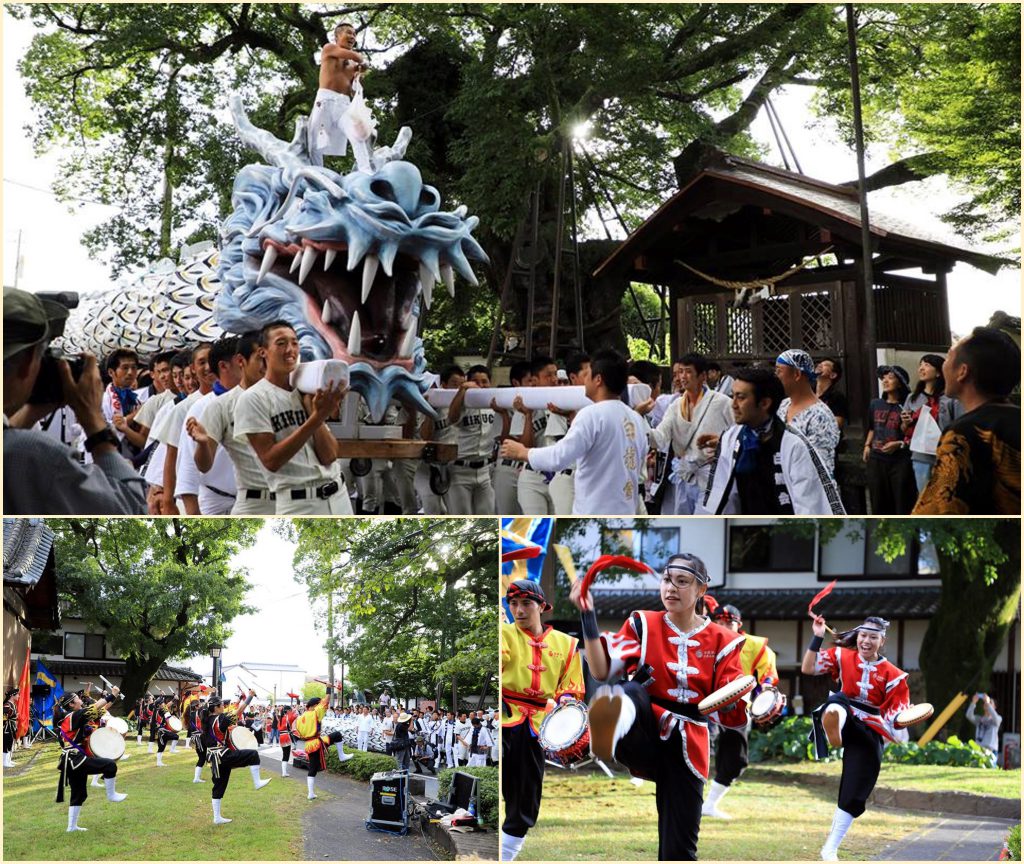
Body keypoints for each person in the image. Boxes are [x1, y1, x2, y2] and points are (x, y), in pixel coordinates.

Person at [571, 554, 749, 861]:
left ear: (701, 590)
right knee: (632, 691)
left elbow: (731, 698)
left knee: (680, 849)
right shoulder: (643, 623)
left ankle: (612, 719)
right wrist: (588, 614)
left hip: (690, 744)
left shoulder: (724, 640)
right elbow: (600, 671)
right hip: (644, 731)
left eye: (682, 582)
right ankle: (610, 723)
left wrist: (749, 703)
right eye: (667, 580)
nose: (672, 588)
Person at [3, 288, 147, 515]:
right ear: (29, 361)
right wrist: (94, 421)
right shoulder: (32, 453)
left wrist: (34, 410)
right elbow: (132, 508)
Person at [801, 615, 911, 861]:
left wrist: (907, 718)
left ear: (882, 641)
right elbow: (808, 668)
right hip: (844, 710)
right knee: (838, 703)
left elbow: (897, 715)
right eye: (863, 635)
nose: (866, 641)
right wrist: (817, 636)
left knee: (855, 790)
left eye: (873, 637)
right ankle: (834, 727)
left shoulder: (894, 676)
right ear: (858, 637)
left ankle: (830, 848)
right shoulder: (842, 655)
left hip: (869, 727)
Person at [500, 350, 647, 515]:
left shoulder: (591, 414)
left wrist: (522, 452)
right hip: (625, 513)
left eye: (588, 374)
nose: (584, 380)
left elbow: (559, 457)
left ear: (598, 380)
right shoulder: (635, 418)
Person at [500, 579, 585, 862]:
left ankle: (507, 855)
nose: (519, 610)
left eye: (526, 604)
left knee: (526, 796)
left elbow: (572, 689)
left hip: (538, 724)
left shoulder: (567, 644)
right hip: (504, 715)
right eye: (513, 604)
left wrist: (566, 711)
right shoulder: (506, 633)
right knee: (502, 783)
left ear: (542, 606)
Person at [234, 321, 351, 514]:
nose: (290, 350)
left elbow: (330, 455)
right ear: (263, 351)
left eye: (294, 343)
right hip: (299, 504)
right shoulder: (252, 398)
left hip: (339, 495)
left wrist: (317, 416)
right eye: (281, 343)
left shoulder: (306, 389)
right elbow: (271, 460)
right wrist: (316, 418)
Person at [700, 368, 845, 515]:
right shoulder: (731, 439)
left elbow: (809, 505)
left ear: (764, 403)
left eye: (741, 397)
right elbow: (719, 497)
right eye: (733, 396)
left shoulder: (793, 445)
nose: (733, 404)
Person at [914, 327, 1021, 514]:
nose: (943, 365)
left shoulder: (963, 433)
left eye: (948, 357)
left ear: (962, 372)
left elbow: (938, 508)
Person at [702, 603, 780, 820]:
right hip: (704, 704)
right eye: (719, 622)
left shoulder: (755, 645)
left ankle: (709, 805)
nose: (724, 627)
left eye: (729, 623)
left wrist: (765, 691)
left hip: (738, 706)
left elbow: (768, 673)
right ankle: (689, 798)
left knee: (736, 760)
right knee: (701, 748)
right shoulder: (702, 640)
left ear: (739, 624)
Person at [643, 353, 733, 514]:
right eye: (681, 372)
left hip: (710, 474)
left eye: (688, 372)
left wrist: (722, 446)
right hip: (683, 474)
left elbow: (737, 433)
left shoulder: (722, 402)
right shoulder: (675, 406)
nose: (682, 377)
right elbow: (660, 437)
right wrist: (639, 421)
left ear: (702, 376)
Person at [54, 688, 128, 832]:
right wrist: (112, 694)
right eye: (77, 698)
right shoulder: (74, 715)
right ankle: (111, 795)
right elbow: (95, 707)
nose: (80, 699)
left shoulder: (74, 716)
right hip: (75, 759)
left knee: (79, 794)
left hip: (70, 761)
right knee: (110, 765)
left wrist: (114, 696)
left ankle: (71, 827)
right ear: (71, 704)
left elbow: (102, 709)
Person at [309, 22, 371, 170]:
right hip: (325, 100)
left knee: (357, 136)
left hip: (344, 104)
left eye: (355, 34)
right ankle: (318, 174)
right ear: (337, 36)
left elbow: (353, 91)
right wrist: (363, 61)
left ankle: (366, 171)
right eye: (349, 33)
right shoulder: (329, 49)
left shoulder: (352, 65)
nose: (352, 37)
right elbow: (355, 55)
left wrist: (358, 76)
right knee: (314, 141)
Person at [202, 692, 271, 825]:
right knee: (253, 755)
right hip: (223, 755)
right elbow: (239, 711)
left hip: (213, 758)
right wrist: (249, 696)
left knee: (219, 785)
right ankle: (257, 782)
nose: (223, 706)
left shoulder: (207, 721)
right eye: (222, 704)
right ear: (216, 707)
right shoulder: (220, 718)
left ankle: (217, 817)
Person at [901, 354, 960, 494]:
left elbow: (959, 425)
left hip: (947, 455)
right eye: (920, 365)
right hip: (921, 456)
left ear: (939, 372)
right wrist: (905, 423)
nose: (921, 368)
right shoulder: (912, 398)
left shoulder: (950, 398)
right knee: (925, 496)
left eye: (927, 365)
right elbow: (904, 430)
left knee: (946, 496)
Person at [775, 349, 840, 477]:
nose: (776, 375)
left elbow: (818, 468)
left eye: (779, 371)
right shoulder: (783, 405)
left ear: (797, 374)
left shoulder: (820, 415)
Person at [864, 366, 917, 514]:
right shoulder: (875, 403)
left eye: (891, 377)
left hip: (900, 460)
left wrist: (906, 423)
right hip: (876, 458)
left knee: (902, 502)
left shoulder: (906, 406)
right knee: (878, 502)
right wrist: (867, 445)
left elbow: (908, 434)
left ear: (900, 383)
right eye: (884, 378)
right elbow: (872, 427)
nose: (885, 381)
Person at [446, 364, 498, 514]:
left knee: (488, 514)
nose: (480, 386)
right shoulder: (463, 401)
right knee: (462, 516)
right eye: (476, 381)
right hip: (460, 469)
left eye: (484, 381)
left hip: (485, 470)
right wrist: (462, 390)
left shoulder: (494, 403)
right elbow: (452, 418)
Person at [294, 691, 354, 800]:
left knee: (312, 769)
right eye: (318, 704)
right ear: (314, 705)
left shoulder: (299, 718)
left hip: (309, 744)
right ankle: (341, 756)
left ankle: (310, 793)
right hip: (316, 742)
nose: (320, 705)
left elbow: (298, 733)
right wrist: (328, 689)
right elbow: (325, 701)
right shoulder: (315, 713)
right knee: (337, 735)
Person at [966, 693, 1002, 764]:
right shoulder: (979, 719)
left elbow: (996, 718)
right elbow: (969, 715)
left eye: (990, 703)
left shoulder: (997, 719)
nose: (986, 703)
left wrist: (988, 703)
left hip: (991, 751)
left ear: (994, 707)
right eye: (985, 703)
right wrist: (973, 702)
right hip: (979, 750)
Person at [3, 688, 18, 769]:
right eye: (17, 694)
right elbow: (3, 718)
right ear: (12, 696)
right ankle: (4, 762)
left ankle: (8, 760)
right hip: (6, 728)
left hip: (11, 727)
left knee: (10, 743)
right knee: (6, 744)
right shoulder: (7, 705)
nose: (18, 696)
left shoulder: (13, 704)